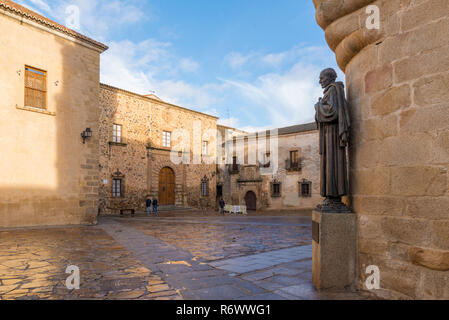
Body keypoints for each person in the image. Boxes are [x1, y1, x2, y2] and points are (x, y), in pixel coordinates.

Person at [314, 68, 351, 212]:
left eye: (321, 78)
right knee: (328, 164)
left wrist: (318, 106)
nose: (320, 81)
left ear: (330, 78)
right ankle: (330, 196)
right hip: (329, 134)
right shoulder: (331, 91)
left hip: (333, 136)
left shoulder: (334, 90)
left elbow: (332, 112)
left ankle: (334, 196)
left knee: (333, 163)